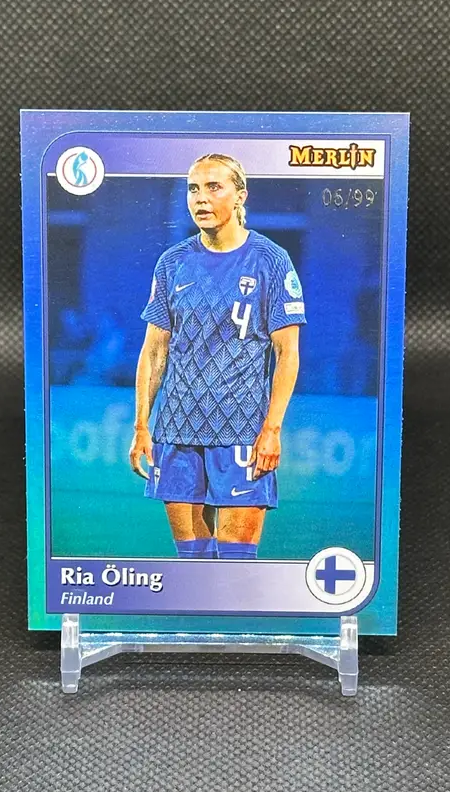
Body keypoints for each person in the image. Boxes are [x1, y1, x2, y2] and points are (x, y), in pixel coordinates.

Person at [129, 153, 306, 560]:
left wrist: (272, 429)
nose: (201, 198)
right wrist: (141, 425)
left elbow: (287, 353)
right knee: (192, 562)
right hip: (176, 430)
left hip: (242, 432)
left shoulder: (270, 261)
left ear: (240, 195)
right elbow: (154, 351)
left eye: (214, 187)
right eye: (194, 189)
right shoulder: (172, 262)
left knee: (234, 566)